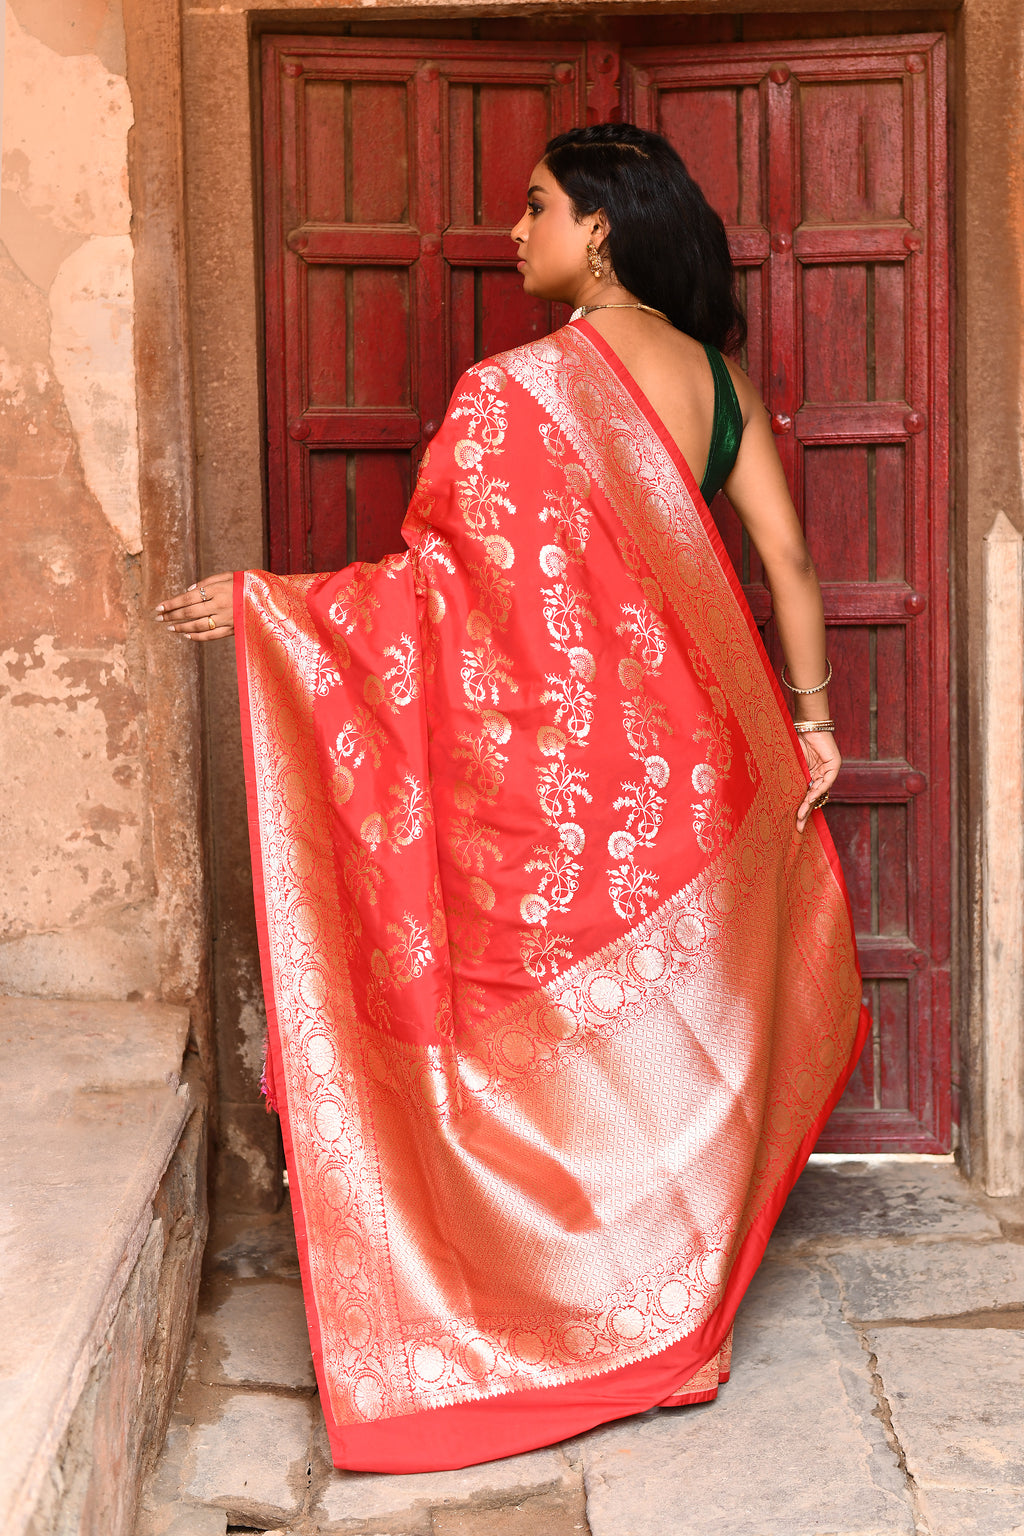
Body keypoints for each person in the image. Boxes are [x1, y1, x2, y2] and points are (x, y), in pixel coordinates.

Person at [158, 123, 867, 1475]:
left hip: (546, 800)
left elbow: (436, 605)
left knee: (532, 1063)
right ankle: (676, 1329)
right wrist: (817, 726)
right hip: (697, 790)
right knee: (668, 1062)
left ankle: (562, 1330)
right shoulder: (718, 382)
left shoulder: (508, 394)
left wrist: (277, 609)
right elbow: (786, 558)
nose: (514, 231)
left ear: (599, 228)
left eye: (536, 207)